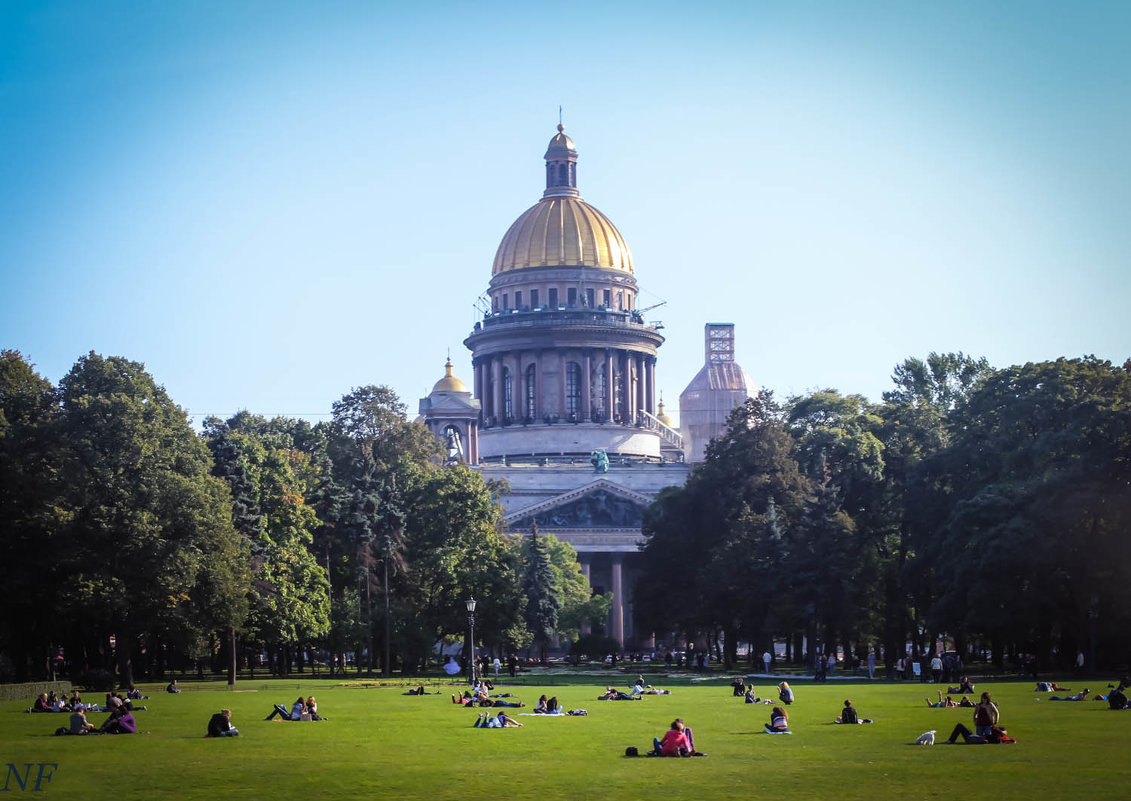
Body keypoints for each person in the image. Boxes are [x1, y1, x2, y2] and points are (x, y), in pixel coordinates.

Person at [944, 723, 1015, 744]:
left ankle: (951, 740)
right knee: (961, 726)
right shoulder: (998, 736)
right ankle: (951, 740)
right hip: (975, 737)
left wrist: (1003, 732)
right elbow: (1012, 740)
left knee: (960, 726)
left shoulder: (995, 733)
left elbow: (994, 728)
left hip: (973, 738)